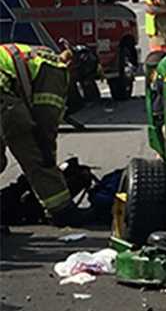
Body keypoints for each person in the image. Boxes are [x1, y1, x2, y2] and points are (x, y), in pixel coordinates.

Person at [0, 44, 97, 226]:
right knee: (36, 155)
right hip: (3, 99)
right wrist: (48, 161)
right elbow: (45, 124)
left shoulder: (41, 54)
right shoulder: (57, 71)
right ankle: (62, 212)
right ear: (74, 68)